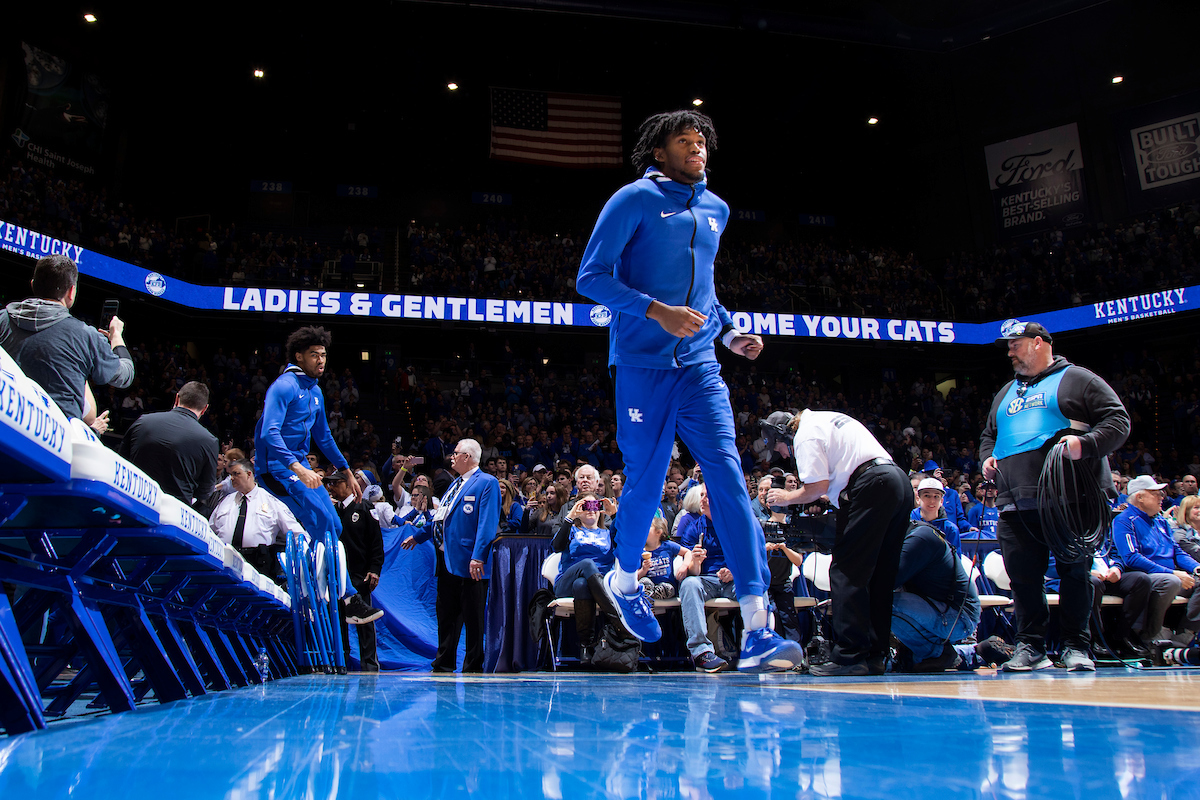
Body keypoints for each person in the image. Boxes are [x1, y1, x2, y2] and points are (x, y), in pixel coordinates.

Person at [576, 108, 801, 672]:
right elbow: (591, 278)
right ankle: (624, 581)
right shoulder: (633, 199)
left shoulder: (716, 208)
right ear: (660, 151)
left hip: (701, 367)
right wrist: (657, 311)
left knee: (729, 479)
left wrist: (729, 331)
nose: (696, 147)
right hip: (642, 366)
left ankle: (758, 626)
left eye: (701, 140)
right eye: (684, 140)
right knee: (647, 479)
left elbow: (706, 293)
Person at [980, 319, 1130, 672]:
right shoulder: (1005, 393)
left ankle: (1076, 646)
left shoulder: (1078, 379)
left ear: (1038, 343)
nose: (1010, 352)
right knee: (1023, 579)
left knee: (1074, 573)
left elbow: (1118, 421)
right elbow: (989, 435)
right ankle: (1031, 647)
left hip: (1070, 498)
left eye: (1015, 345)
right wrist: (987, 457)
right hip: (1015, 502)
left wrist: (1085, 444)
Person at [764, 408, 912, 676]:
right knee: (879, 575)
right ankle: (874, 655)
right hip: (897, 481)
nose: (784, 456)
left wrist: (786, 497)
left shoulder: (804, 435)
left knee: (845, 570)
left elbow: (817, 487)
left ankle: (849, 656)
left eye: (779, 448)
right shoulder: (824, 419)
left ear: (784, 435)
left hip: (871, 485)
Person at [253, 325, 380, 627]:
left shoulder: (316, 391)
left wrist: (346, 471)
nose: (321, 360)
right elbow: (269, 432)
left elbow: (323, 437)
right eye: (314, 355)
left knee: (335, 524)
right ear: (299, 356)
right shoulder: (283, 386)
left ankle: (314, 583)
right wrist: (297, 467)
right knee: (322, 521)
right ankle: (347, 598)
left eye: (323, 355)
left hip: (298, 465)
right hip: (276, 468)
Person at [401, 439, 499, 672]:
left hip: (470, 561)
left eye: (455, 453)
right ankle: (444, 662)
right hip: (446, 560)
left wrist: (479, 556)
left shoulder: (487, 482)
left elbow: (487, 524)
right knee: (446, 614)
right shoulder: (455, 484)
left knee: (473, 617)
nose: (451, 457)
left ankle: (473, 665)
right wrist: (419, 536)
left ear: (467, 457)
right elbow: (441, 518)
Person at [0, 254, 134, 420]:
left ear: (33, 284)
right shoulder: (86, 335)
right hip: (55, 432)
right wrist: (116, 337)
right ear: (71, 292)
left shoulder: (2, 319)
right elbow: (125, 376)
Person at [1112, 475, 1200, 648]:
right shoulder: (1124, 520)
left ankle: (1187, 633)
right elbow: (1131, 558)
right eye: (1156, 493)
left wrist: (1196, 567)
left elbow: (1177, 552)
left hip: (1172, 575)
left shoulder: (1161, 521)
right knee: (1170, 581)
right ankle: (1149, 635)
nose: (1162, 496)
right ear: (1140, 497)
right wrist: (1173, 572)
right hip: (1145, 578)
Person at [890, 520, 984, 672]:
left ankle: (939, 654)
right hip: (940, 609)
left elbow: (885, 584)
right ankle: (973, 653)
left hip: (959, 617)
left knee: (883, 604)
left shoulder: (920, 537)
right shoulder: (907, 533)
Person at [119, 381, 219, 516]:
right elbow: (205, 491)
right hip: (172, 515)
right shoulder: (209, 441)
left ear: (177, 398)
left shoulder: (143, 421)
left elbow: (122, 460)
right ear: (205, 408)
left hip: (131, 504)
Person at [551, 493, 623, 665]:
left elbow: (626, 541)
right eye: (585, 506)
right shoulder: (572, 530)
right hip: (566, 584)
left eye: (595, 505)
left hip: (587, 586)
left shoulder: (607, 533)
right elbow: (557, 546)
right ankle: (617, 620)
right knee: (587, 564)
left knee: (582, 584)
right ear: (577, 510)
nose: (591, 509)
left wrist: (615, 515)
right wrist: (570, 518)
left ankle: (585, 646)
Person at [209, 459, 306, 584]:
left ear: (249, 474)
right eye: (230, 474)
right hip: (225, 558)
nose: (232, 478)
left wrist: (304, 556)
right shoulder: (226, 501)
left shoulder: (271, 500)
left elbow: (296, 532)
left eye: (236, 474)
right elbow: (210, 530)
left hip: (257, 561)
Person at [677, 485, 739, 672]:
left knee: (756, 586)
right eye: (701, 495)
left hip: (735, 580)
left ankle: (760, 643)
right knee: (689, 584)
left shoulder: (736, 523)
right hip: (707, 580)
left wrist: (734, 572)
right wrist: (695, 562)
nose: (702, 499)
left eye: (707, 496)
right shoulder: (694, 527)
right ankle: (702, 652)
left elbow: (750, 558)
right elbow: (693, 573)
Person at [327, 472, 385, 671]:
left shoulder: (365, 507)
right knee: (338, 620)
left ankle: (369, 664)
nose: (332, 488)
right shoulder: (332, 510)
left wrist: (374, 569)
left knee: (364, 620)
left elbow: (376, 542)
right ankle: (341, 662)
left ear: (349, 485)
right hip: (337, 575)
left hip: (359, 574)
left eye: (336, 483)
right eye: (330, 484)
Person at [910, 477, 961, 552]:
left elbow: (955, 557)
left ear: (941, 501)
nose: (932, 501)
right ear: (918, 499)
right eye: (927, 496)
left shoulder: (950, 529)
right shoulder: (907, 523)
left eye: (936, 496)